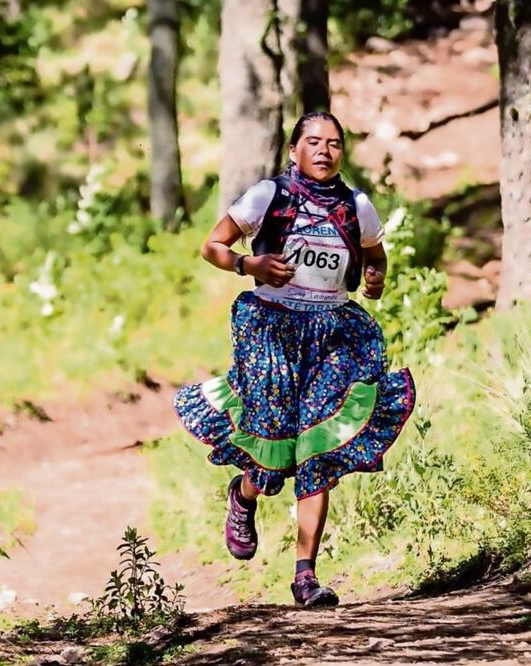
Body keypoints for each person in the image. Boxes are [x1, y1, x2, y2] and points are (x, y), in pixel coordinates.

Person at [173, 111, 416, 607]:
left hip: (333, 333)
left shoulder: (357, 206)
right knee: (273, 445)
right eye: (313, 141)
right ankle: (244, 496)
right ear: (294, 149)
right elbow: (212, 245)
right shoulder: (269, 196)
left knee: (317, 446)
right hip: (270, 327)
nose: (324, 150)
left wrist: (376, 277)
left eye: (333, 143)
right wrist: (249, 263)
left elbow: (375, 253)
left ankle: (305, 575)